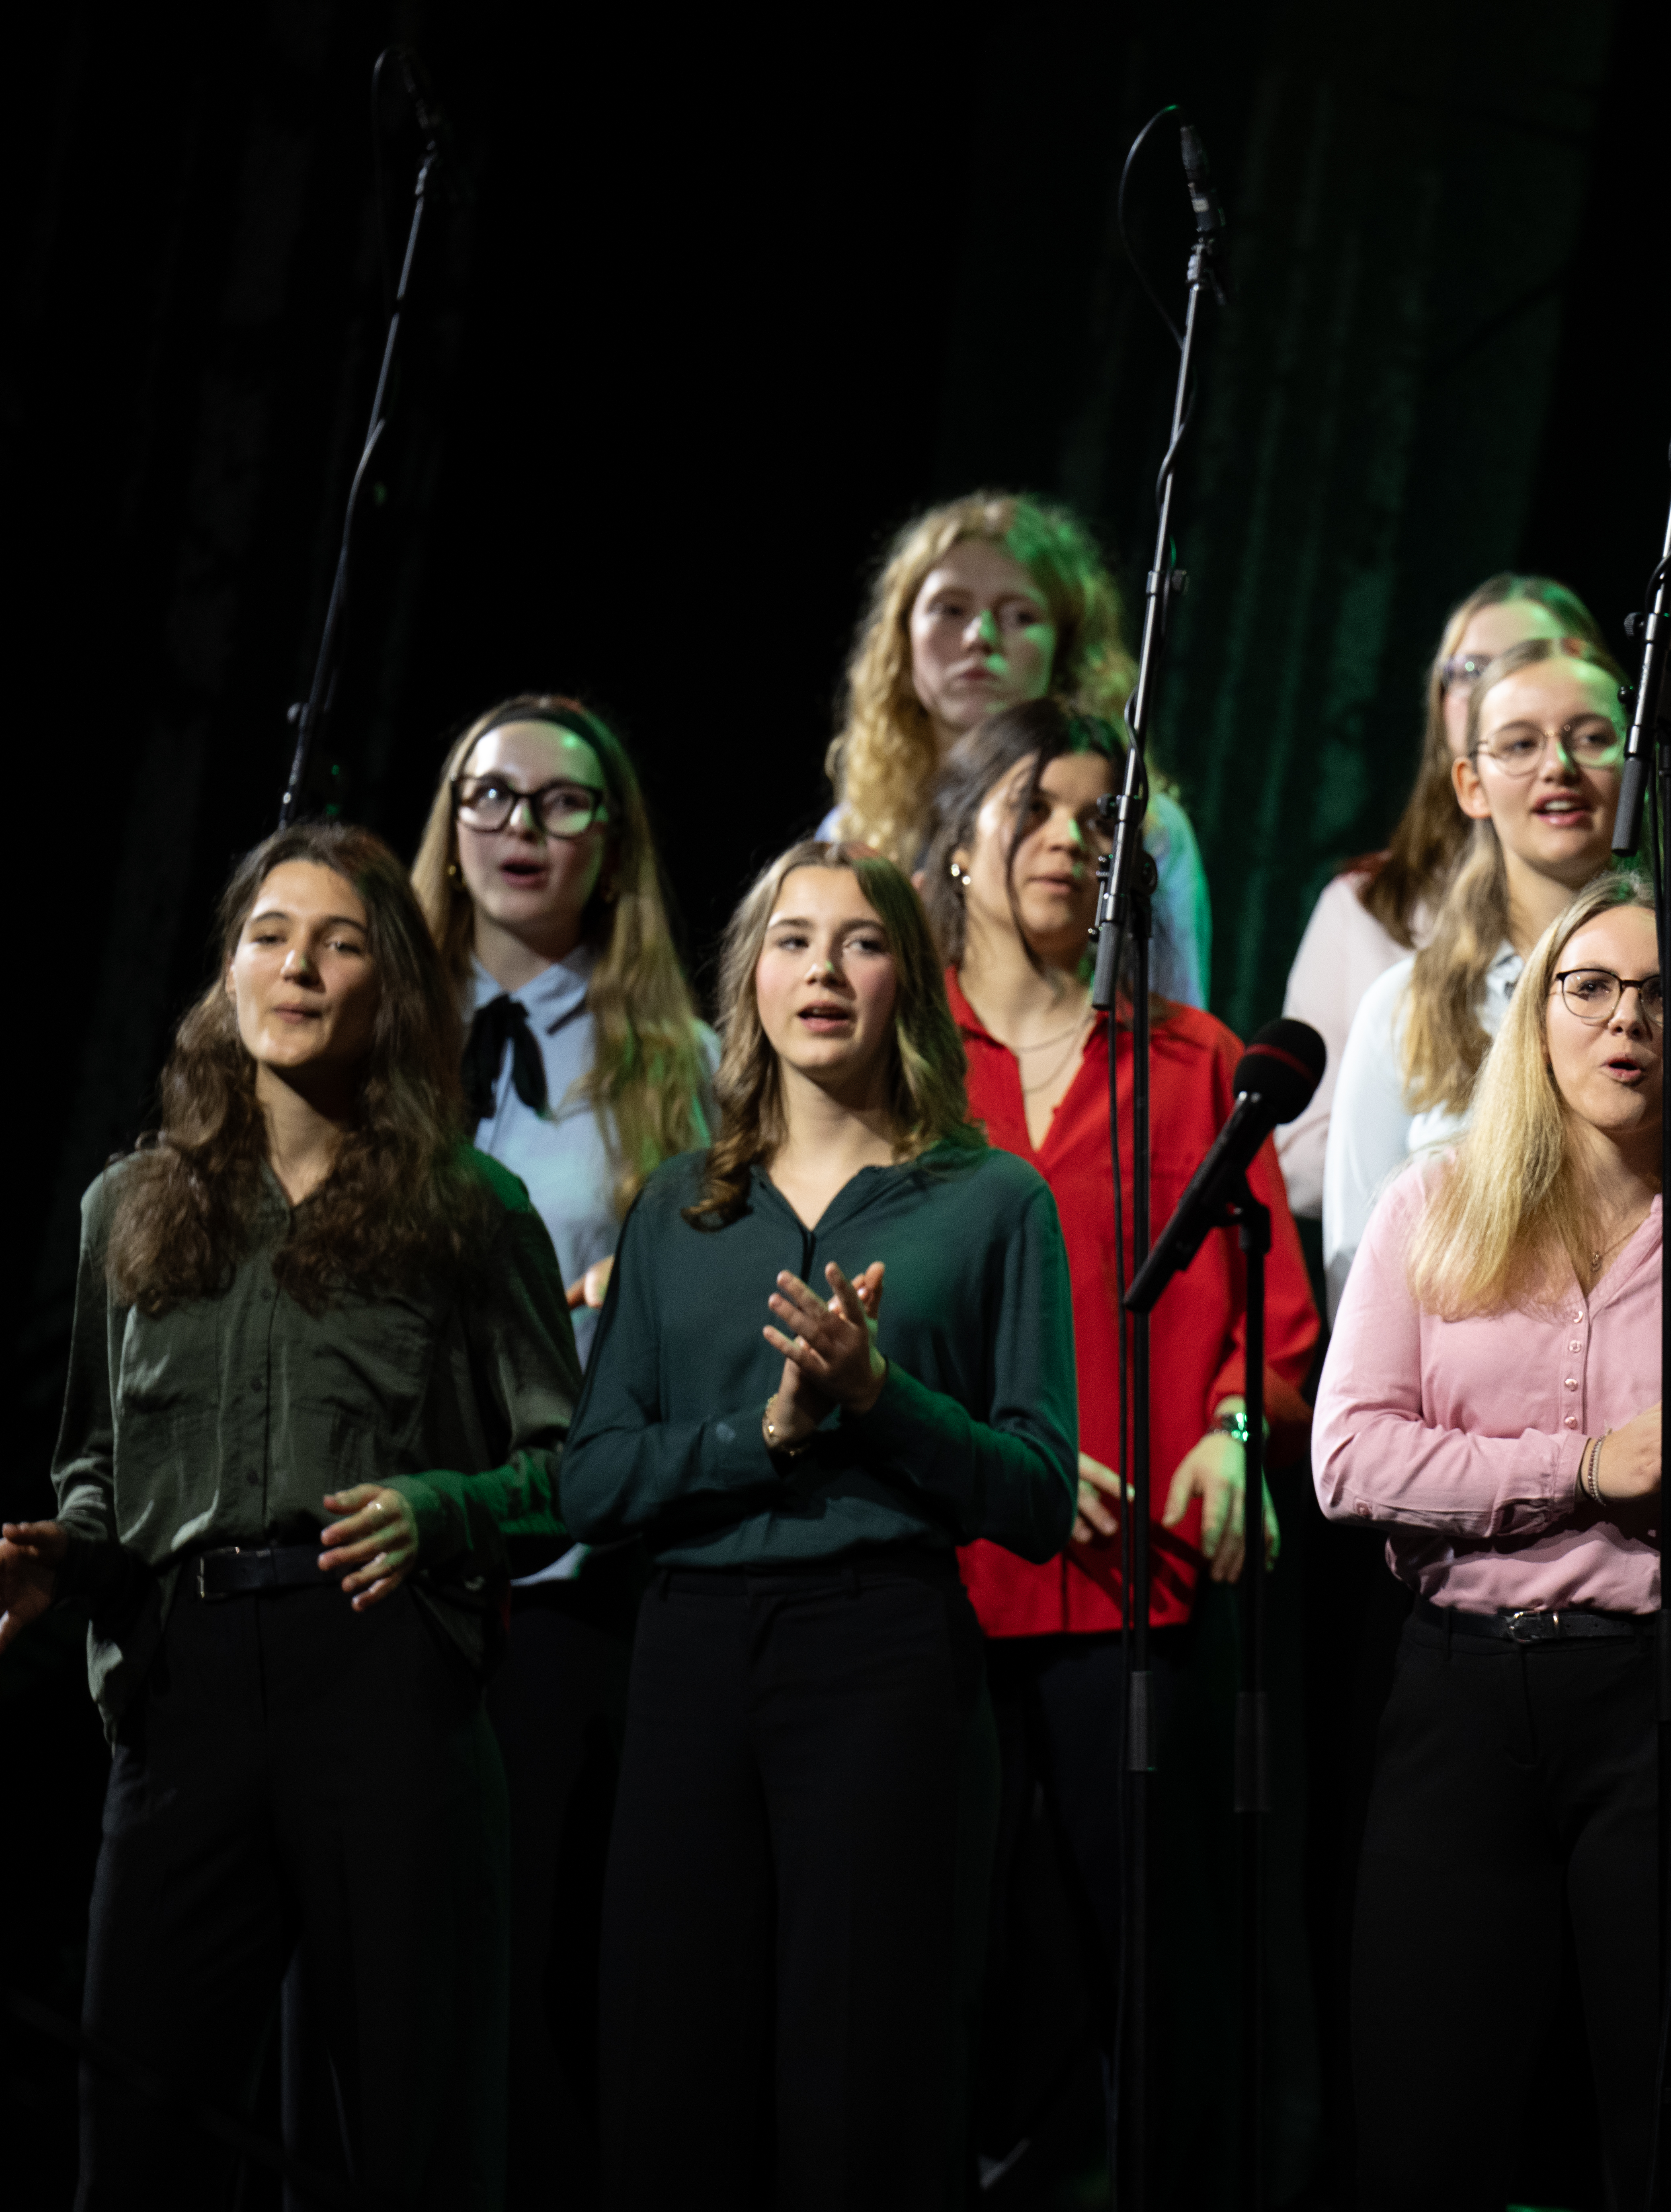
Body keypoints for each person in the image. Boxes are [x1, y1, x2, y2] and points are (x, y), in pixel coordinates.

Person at [3, 823, 579, 2208]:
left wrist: (444, 1508)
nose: (299, 966)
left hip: (383, 1670)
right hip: (183, 1687)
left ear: (395, 987)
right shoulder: (127, 1207)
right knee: (140, 2125)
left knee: (410, 2131)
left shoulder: (469, 1210)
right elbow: (97, 1461)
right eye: (270, 935)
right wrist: (66, 1555)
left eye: (340, 942)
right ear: (228, 972)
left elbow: (568, 1471)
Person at [1314, 871, 1671, 2211]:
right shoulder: (1429, 1209)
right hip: (1464, 1691)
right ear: (1539, 1017)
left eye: (1666, 995)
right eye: (1592, 988)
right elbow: (1348, 1459)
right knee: (1424, 2127)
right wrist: (1579, 1469)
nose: (1627, 1019)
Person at [560, 840, 1078, 2208]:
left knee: (868, 2079)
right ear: (750, 978)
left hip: (883, 1653)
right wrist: (768, 1435)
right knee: (671, 2069)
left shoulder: (992, 1201)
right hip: (687, 1655)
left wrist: (881, 1398)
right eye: (792, 940)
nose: (824, 970)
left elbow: (1037, 1493)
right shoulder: (681, 1208)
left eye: (861, 941)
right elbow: (591, 1481)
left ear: (909, 978)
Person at [922, 700, 1323, 2188]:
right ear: (956, 844)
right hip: (932, 1585)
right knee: (931, 1976)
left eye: (1102, 820)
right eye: (1032, 807)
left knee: (1164, 1979)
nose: (1069, 842)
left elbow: (1273, 1325)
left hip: (1134, 1588)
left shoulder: (1197, 1060)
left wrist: (1231, 1430)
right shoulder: (902, 1054)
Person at [410, 692, 716, 2202]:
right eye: (491, 795)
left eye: (560, 802)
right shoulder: (372, 1015)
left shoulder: (675, 1060)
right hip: (366, 1548)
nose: (520, 827)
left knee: (522, 1949)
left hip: (562, 1570)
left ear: (614, 838)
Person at [1319, 634, 1671, 1303]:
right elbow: (1356, 1259)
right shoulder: (1404, 1006)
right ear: (1471, 784)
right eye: (1519, 744)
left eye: (1591, 738)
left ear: (1637, 763)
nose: (1558, 766)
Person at [1275, 572, 1607, 1219]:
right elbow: (1310, 1163)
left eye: (1530, 658)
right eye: (1472, 670)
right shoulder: (1371, 907)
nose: (1499, 685)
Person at [824, 489, 1213, 1011]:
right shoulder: (855, 828)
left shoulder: (1141, 827)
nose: (979, 637)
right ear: (902, 638)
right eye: (950, 609)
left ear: (1066, 651)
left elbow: (1171, 1026)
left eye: (1019, 616)